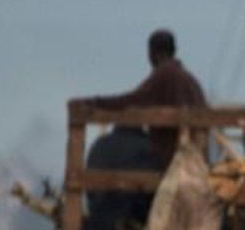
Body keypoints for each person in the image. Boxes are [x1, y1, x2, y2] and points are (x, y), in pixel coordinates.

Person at [87, 28, 207, 169]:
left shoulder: (165, 74)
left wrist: (97, 103)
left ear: (152, 53)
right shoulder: (191, 81)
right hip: (197, 159)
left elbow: (133, 100)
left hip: (173, 161)